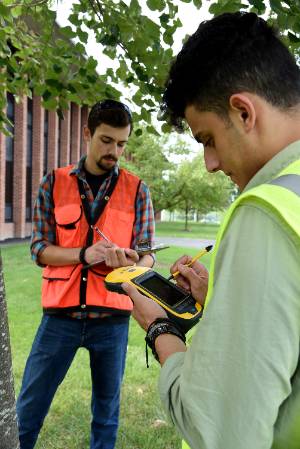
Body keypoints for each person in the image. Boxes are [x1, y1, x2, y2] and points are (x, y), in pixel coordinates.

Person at [122, 12, 300, 449]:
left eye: (207, 139)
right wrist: (223, 297)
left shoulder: (267, 212)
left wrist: (159, 330)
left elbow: (222, 433)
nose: (211, 164)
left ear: (242, 112)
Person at [16, 99, 155, 449]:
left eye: (121, 143)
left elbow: (149, 255)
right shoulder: (54, 182)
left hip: (112, 319)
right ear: (87, 133)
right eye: (106, 141)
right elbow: (38, 249)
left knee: (106, 415)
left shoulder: (138, 189)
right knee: (29, 410)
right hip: (59, 317)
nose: (114, 151)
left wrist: (132, 262)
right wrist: (83, 254)